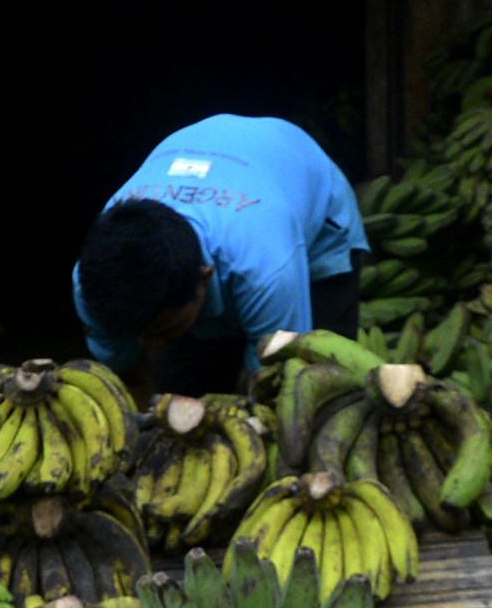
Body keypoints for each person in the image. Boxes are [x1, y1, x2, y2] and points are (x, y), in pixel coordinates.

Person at [72, 114, 367, 399]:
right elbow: (130, 378)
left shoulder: (269, 271)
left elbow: (280, 389)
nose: (147, 345)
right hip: (219, 183)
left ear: (204, 278)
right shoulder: (92, 283)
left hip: (312, 220)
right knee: (178, 397)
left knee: (320, 392)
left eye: (164, 330)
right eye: (135, 334)